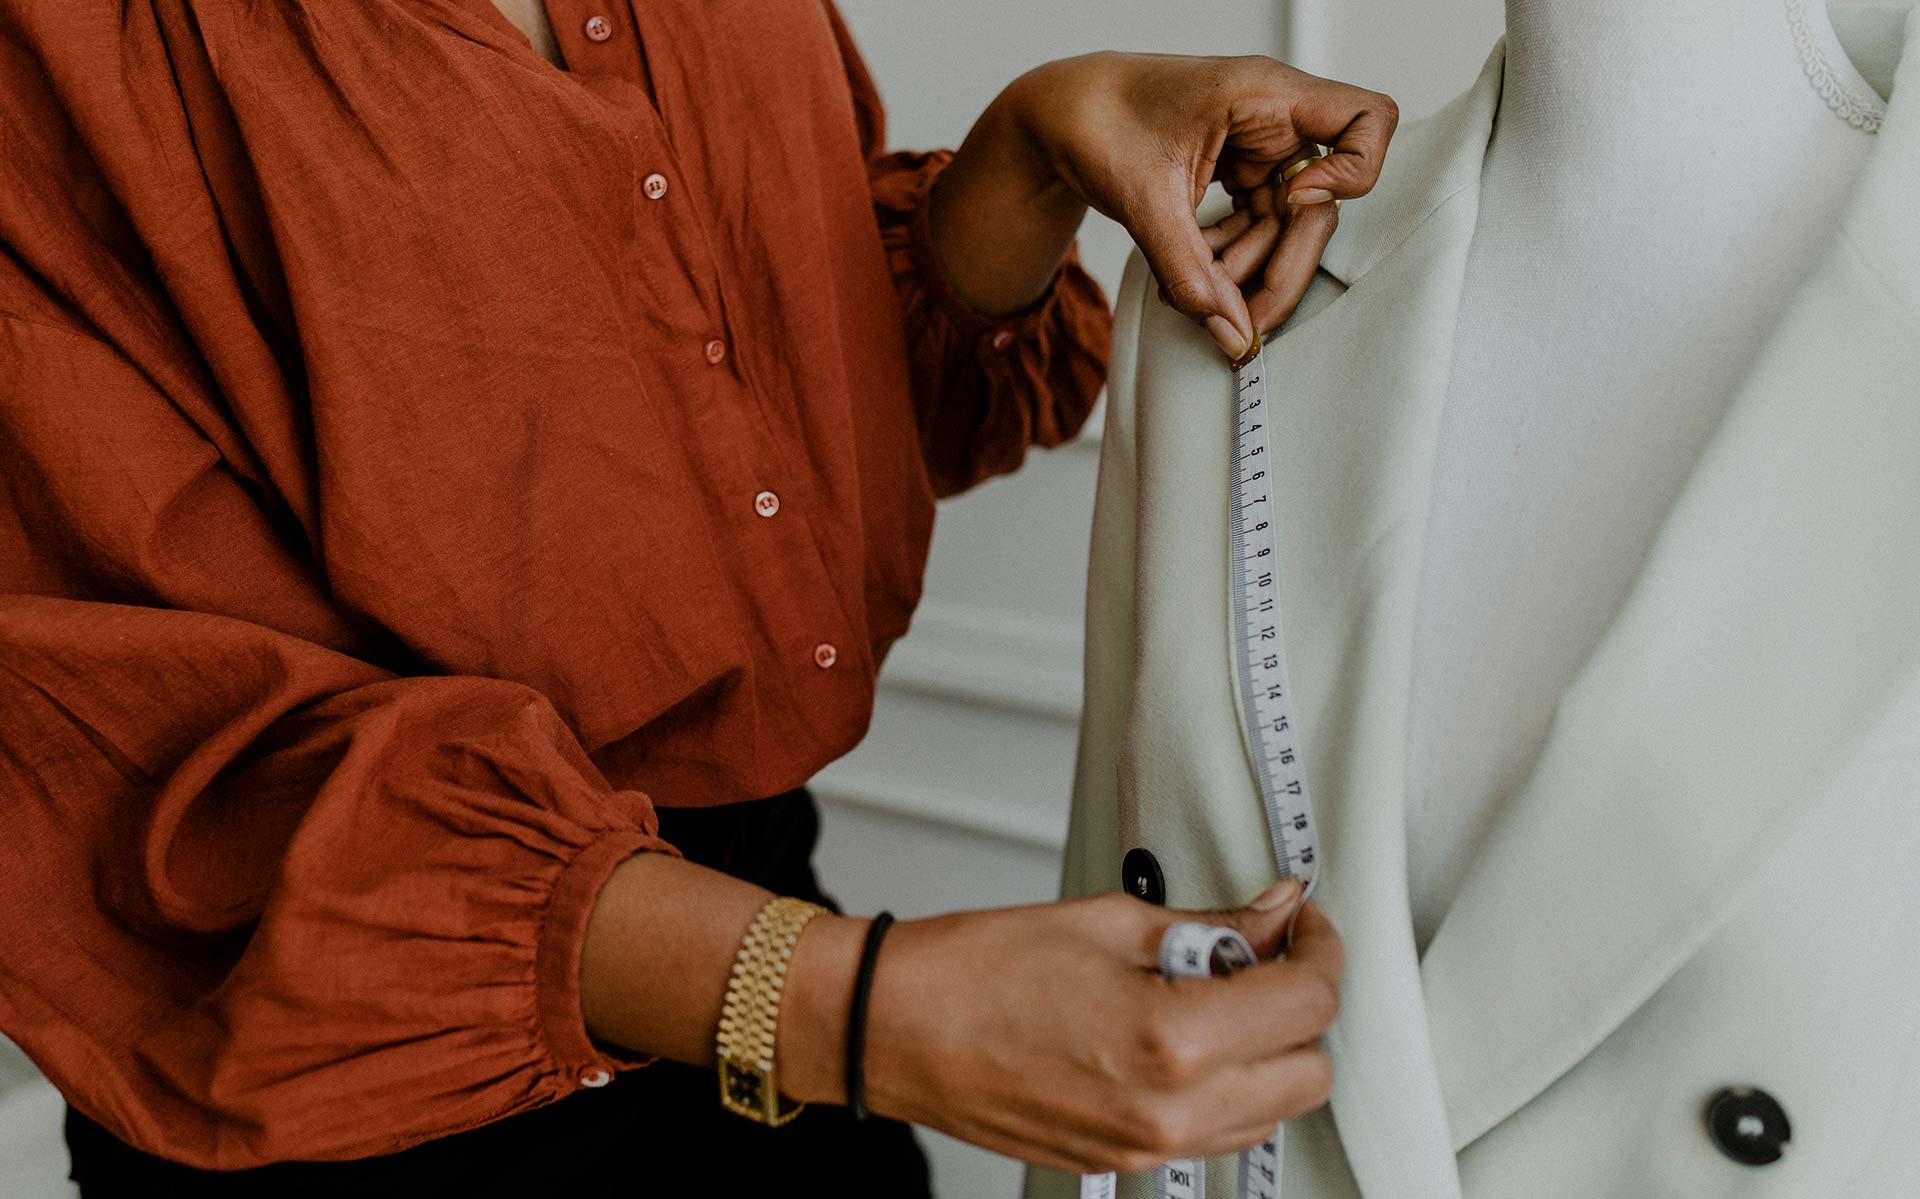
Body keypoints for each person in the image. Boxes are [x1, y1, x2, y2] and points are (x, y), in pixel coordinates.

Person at [0, 1, 1397, 1193]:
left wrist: (1038, 144)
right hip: (349, 1094)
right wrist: (846, 1010)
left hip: (793, 1013)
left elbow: (783, 429)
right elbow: (113, 737)